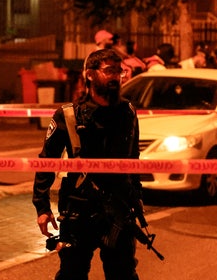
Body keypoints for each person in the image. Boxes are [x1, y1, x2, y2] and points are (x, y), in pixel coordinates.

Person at [33, 49, 145, 280]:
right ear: (90, 75)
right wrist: (42, 207)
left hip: (119, 209)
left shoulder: (128, 112)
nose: (116, 76)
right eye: (109, 70)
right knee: (72, 275)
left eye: (119, 71)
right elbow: (47, 160)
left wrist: (137, 195)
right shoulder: (69, 115)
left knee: (123, 274)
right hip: (78, 210)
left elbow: (133, 158)